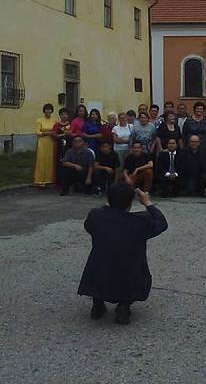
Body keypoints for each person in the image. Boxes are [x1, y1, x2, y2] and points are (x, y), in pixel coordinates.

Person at [77, 184, 168, 325]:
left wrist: (112, 201)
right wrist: (147, 202)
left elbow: (92, 223)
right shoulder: (140, 221)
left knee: (100, 264)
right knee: (133, 268)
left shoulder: (95, 216)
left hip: (99, 273)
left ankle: (97, 303)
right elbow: (162, 223)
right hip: (128, 275)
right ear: (131, 202)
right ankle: (124, 306)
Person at [34, 103, 57, 187]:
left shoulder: (54, 121)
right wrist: (47, 133)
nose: (48, 111)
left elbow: (56, 131)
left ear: (52, 111)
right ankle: (39, 180)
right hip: (42, 141)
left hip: (51, 142)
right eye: (46, 109)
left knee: (50, 160)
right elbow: (37, 132)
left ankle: (49, 179)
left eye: (50, 109)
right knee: (41, 160)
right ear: (44, 111)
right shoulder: (39, 120)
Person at [52, 108, 73, 185]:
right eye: (62, 114)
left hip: (69, 145)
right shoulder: (57, 125)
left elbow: (72, 133)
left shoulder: (71, 124)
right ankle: (59, 181)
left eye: (66, 114)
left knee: (69, 162)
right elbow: (54, 135)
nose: (64, 116)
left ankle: (69, 182)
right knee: (60, 162)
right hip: (59, 146)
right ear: (60, 115)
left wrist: (69, 134)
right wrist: (64, 134)